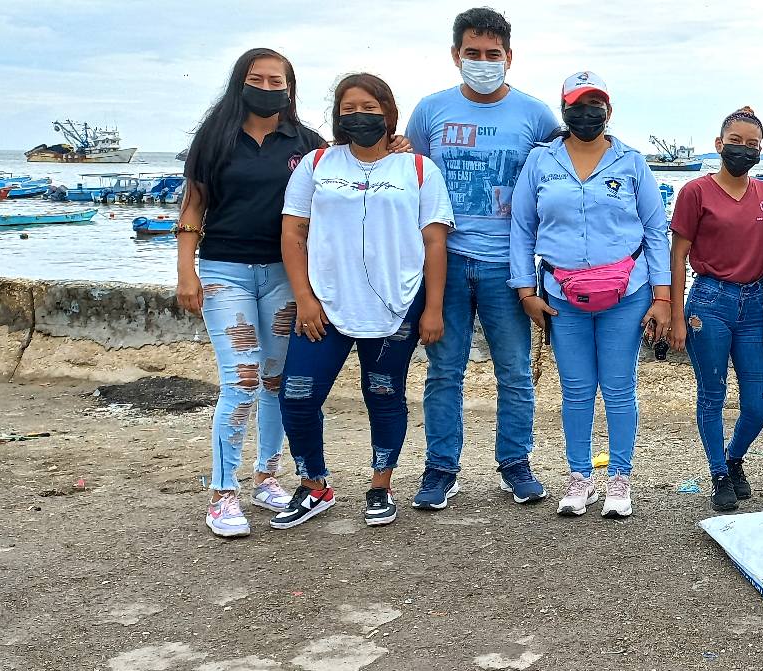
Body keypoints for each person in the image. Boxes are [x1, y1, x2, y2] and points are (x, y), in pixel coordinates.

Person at [270, 74, 454, 530]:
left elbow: (434, 242)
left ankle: (380, 486)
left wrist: (433, 308)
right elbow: (293, 233)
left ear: (388, 113)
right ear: (337, 116)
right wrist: (304, 298)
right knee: (297, 395)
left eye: (370, 108)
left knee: (384, 393)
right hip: (325, 304)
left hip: (398, 304)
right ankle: (314, 484)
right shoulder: (316, 164)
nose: (360, 116)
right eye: (349, 108)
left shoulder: (418, 169)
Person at [408, 8, 560, 511]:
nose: (482, 61)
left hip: (508, 267)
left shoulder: (536, 115)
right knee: (443, 371)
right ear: (456, 55)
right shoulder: (430, 110)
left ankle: (515, 463)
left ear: (509, 57)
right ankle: (440, 467)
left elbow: (562, 170)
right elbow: (413, 175)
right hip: (445, 262)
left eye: (492, 54)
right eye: (472, 53)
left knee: (514, 372)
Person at [509, 71, 672, 519]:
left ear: (608, 110)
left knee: (619, 389)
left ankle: (620, 478)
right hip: (562, 296)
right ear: (564, 110)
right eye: (577, 106)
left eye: (595, 105)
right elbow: (522, 228)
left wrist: (662, 298)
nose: (587, 113)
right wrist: (525, 291)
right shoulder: (540, 161)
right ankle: (580, 476)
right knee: (576, 391)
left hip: (627, 293)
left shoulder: (631, 162)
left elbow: (656, 230)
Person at [176, 48, 325, 537]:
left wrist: (396, 145)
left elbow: (348, 178)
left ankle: (266, 477)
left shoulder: (306, 143)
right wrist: (186, 272)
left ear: (290, 86)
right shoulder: (215, 137)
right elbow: (193, 206)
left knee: (276, 379)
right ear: (240, 82)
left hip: (285, 274)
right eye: (256, 79)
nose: (266, 87)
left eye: (276, 80)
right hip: (225, 272)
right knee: (240, 380)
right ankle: (223, 493)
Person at [668, 106, 763, 512]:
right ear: (718, 144)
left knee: (757, 403)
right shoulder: (695, 192)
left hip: (755, 304)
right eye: (735, 142)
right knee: (712, 393)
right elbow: (678, 256)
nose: (743, 149)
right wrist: (676, 316)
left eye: (752, 144)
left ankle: (734, 458)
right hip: (709, 302)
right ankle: (717, 473)